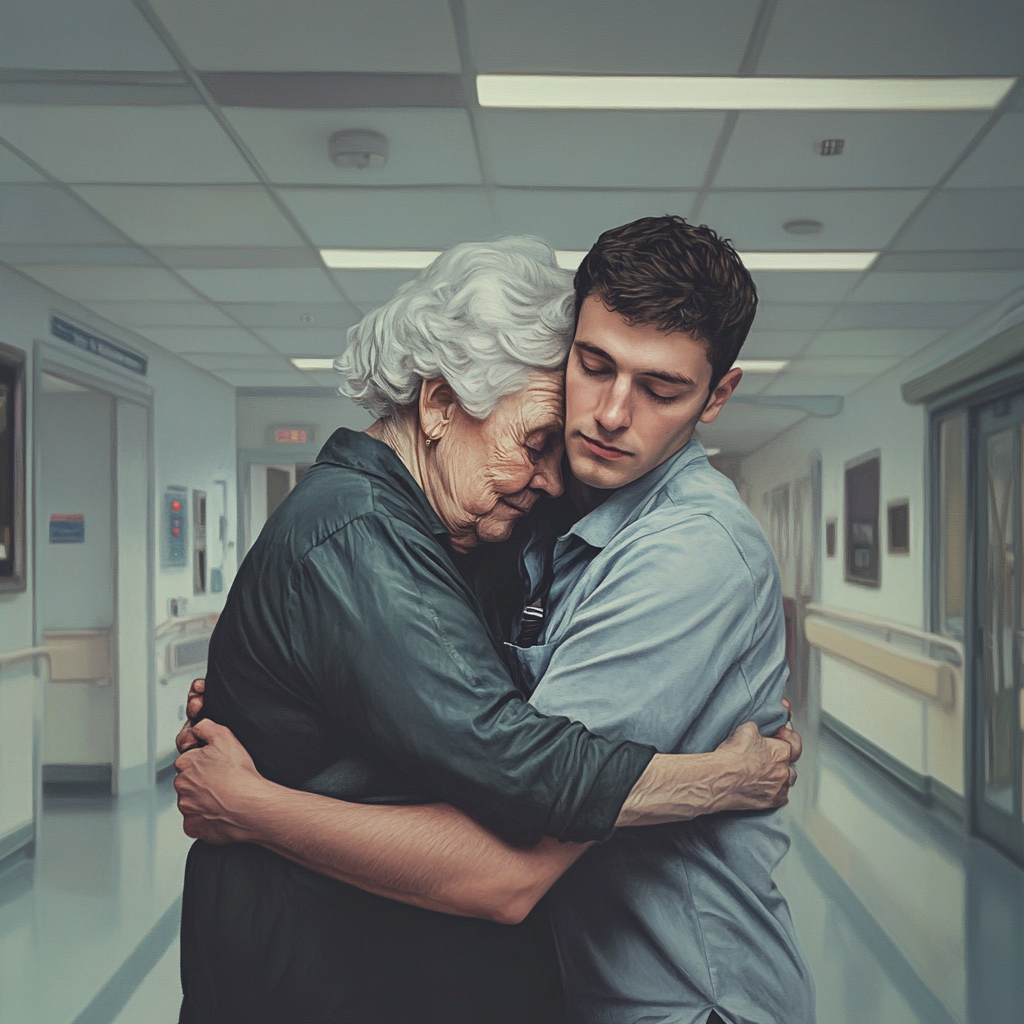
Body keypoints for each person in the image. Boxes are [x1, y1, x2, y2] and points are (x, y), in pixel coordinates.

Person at [174, 234, 800, 1024]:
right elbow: (515, 761)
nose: (559, 466)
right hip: (312, 970)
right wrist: (719, 778)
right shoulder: (366, 535)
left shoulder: (652, 548)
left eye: (660, 386)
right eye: (540, 440)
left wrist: (256, 787)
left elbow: (497, 823)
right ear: (438, 405)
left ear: (715, 395)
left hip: (671, 996)